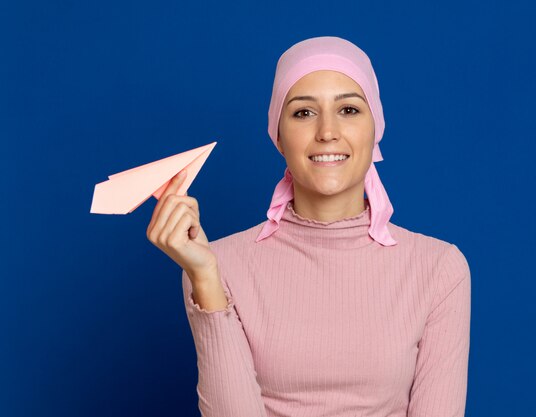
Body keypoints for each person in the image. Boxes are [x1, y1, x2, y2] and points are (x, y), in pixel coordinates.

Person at [147, 36, 471, 417]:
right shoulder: (218, 264)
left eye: (349, 109)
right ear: (279, 137)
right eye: (303, 113)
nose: (327, 132)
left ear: (375, 129)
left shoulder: (439, 268)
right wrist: (204, 277)